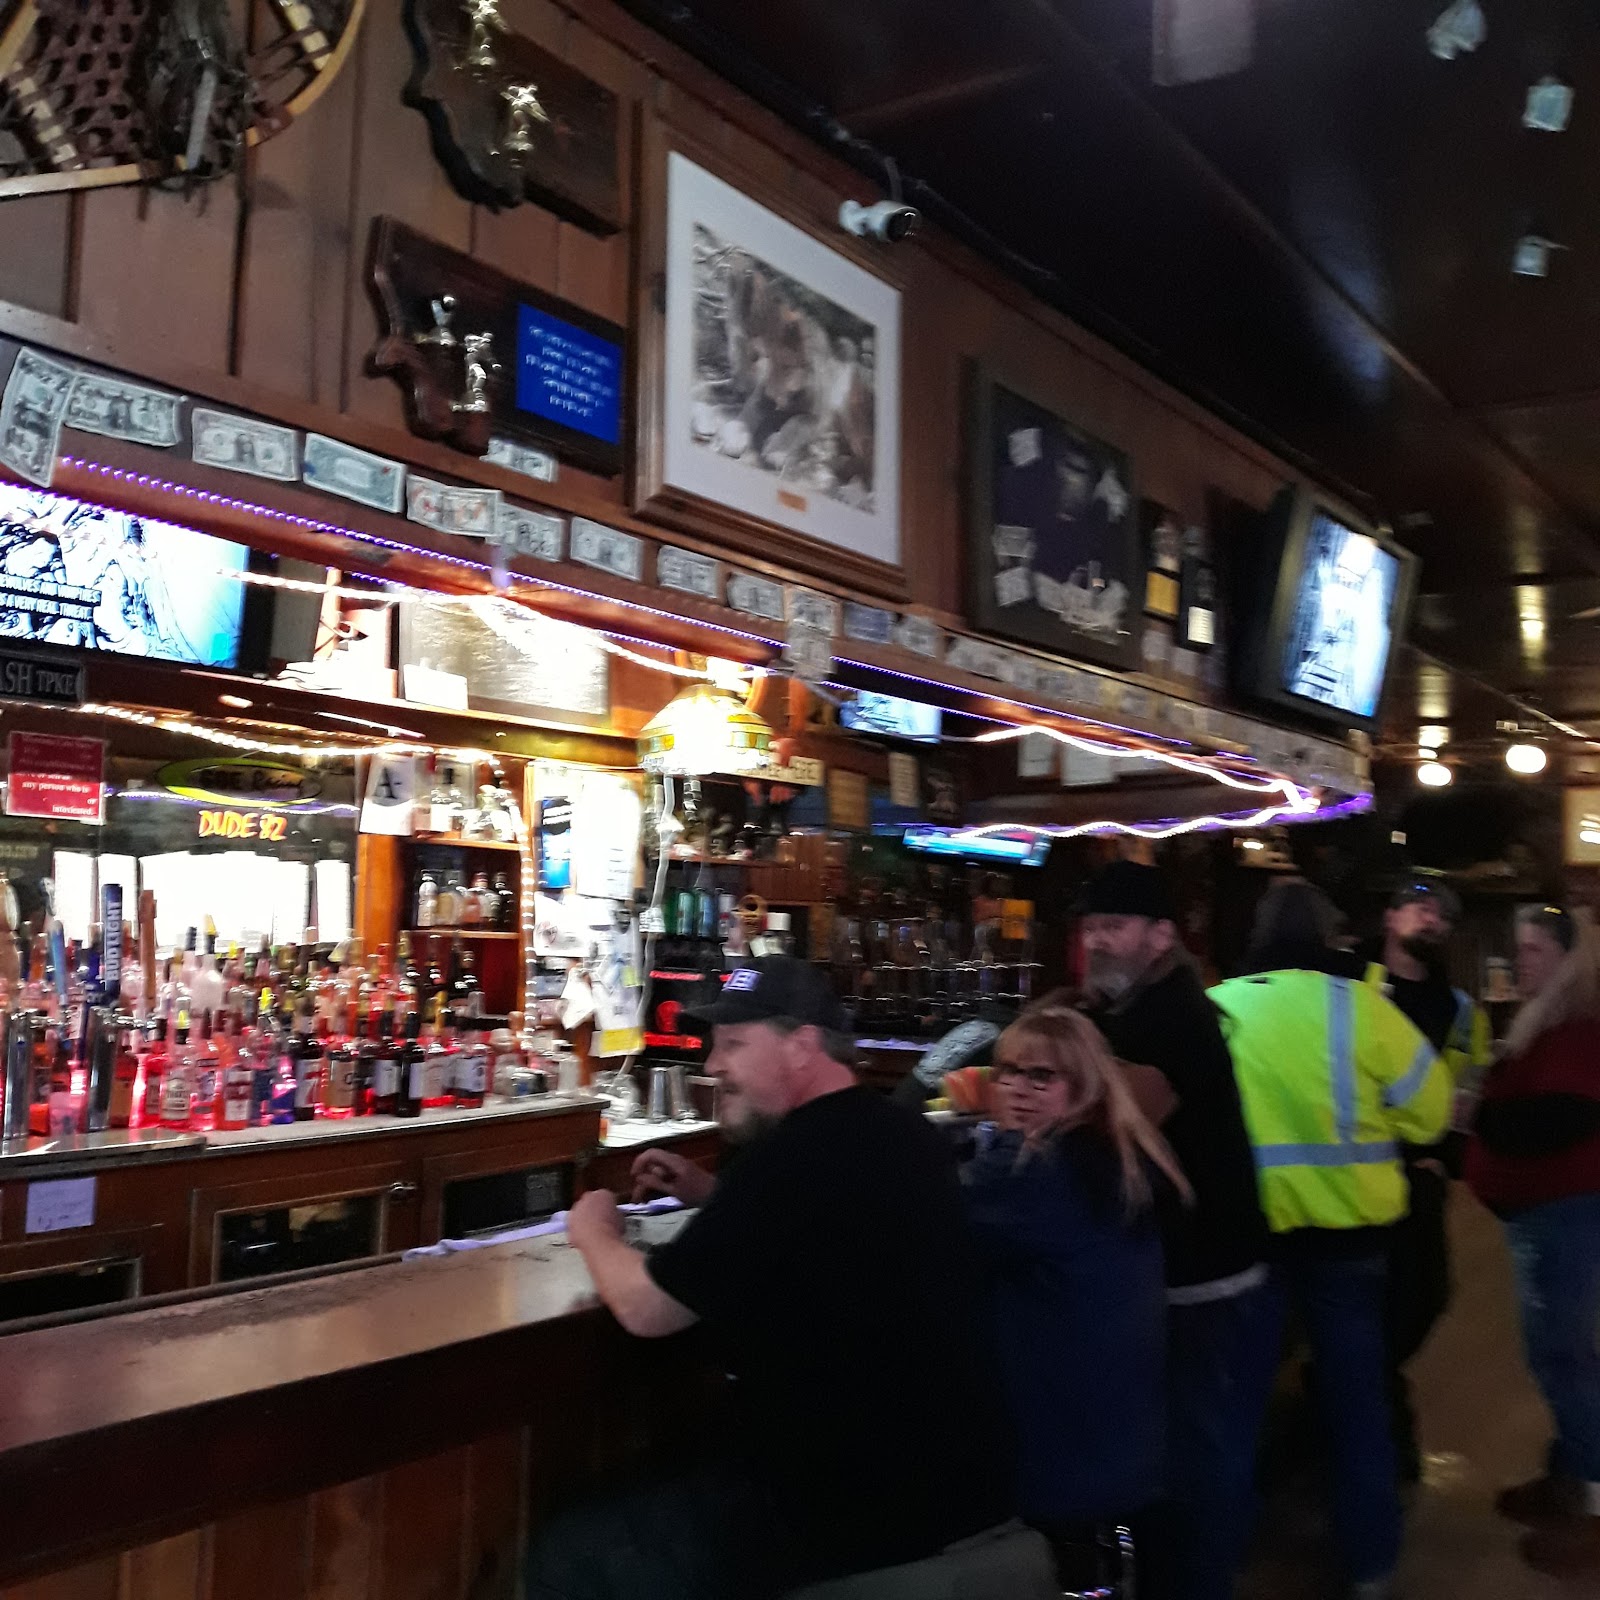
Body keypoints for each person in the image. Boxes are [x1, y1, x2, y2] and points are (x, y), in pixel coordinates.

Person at [542, 956, 1053, 1600]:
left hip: (858, 1510)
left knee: (574, 1551)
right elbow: (814, 1224)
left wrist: (593, 1226)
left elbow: (648, 1308)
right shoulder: (899, 1133)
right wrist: (715, 1193)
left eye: (734, 1044)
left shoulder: (792, 1156)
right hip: (960, 1487)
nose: (713, 1067)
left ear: (802, 1046)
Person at [1211, 880, 1451, 1600]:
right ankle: (1370, 1567)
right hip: (1352, 1245)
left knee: (1236, 1410)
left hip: (1254, 1241)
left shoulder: (1221, 1006)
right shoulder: (1363, 1010)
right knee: (1357, 1408)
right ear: (1330, 935)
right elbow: (1431, 1115)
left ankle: (1219, 1559)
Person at [1077, 860, 1273, 1600]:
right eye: (1091, 927)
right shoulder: (1135, 1011)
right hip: (1186, 1271)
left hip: (1207, 1280)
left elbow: (1118, 1124)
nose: (1098, 941)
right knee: (1192, 1457)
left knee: (1196, 1463)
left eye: (1114, 927)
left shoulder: (1172, 1016)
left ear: (1161, 936)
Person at [963, 996, 1189, 1586]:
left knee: (1073, 1567)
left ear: (1085, 1085)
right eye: (1007, 1071)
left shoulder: (1038, 1174)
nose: (1017, 1087)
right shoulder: (1117, 1156)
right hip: (1117, 1429)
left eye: (1042, 1075)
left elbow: (942, 1232)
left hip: (1063, 1437)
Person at [1467, 903, 1600, 1579]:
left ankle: (1593, 1507)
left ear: (1569, 960)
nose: (1523, 963)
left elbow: (1556, 1120)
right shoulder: (1549, 1022)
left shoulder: (1577, 1029)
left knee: (1567, 1359)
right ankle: (1571, 1476)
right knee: (1556, 1354)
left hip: (1566, 1211)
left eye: (1537, 952)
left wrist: (1481, 1113)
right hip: (1547, 1212)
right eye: (1519, 951)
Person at [1362, 881, 1493, 1480]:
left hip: (1421, 1178)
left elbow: (1470, 1091)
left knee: (1425, 1296)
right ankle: (1379, 1428)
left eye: (1444, 915)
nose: (1434, 920)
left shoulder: (1462, 1011)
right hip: (1355, 1173)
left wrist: (1445, 1159)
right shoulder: (1350, 987)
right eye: (1422, 908)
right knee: (1366, 1303)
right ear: (1390, 917)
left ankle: (1368, 1399)